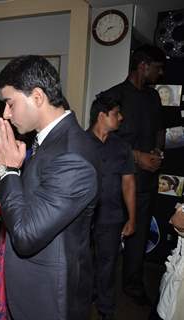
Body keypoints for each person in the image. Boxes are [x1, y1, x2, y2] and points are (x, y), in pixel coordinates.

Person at [0, 55, 100, 319]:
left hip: (50, 296)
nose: (6, 113)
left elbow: (27, 235)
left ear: (37, 97)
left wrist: (8, 171)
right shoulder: (49, 140)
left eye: (10, 103)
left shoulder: (72, 154)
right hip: (34, 286)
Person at [101, 45, 166, 305]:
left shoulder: (153, 98)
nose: (160, 74)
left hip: (146, 183)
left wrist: (158, 152)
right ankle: (100, 289)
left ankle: (133, 284)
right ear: (143, 66)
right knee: (107, 238)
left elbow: (160, 129)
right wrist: (138, 157)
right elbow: (102, 137)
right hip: (116, 183)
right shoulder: (113, 97)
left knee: (139, 237)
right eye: (157, 68)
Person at [87, 96, 136, 320]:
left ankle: (105, 309)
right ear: (102, 116)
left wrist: (132, 218)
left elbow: (128, 183)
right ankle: (83, 301)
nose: (121, 117)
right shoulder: (80, 143)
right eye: (116, 113)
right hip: (82, 217)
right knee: (82, 263)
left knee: (108, 265)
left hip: (112, 216)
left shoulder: (122, 147)